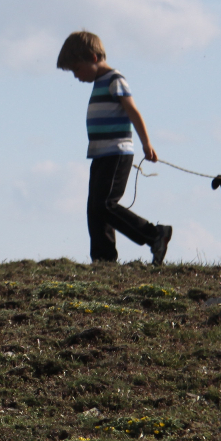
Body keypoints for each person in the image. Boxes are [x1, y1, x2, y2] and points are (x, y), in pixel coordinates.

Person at [55, 31, 174, 266]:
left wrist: (146, 143)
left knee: (105, 204)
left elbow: (132, 111)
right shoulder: (100, 82)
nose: (76, 76)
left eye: (77, 68)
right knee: (94, 209)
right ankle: (103, 260)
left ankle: (154, 234)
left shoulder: (114, 79)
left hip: (117, 153)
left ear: (93, 57)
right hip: (100, 155)